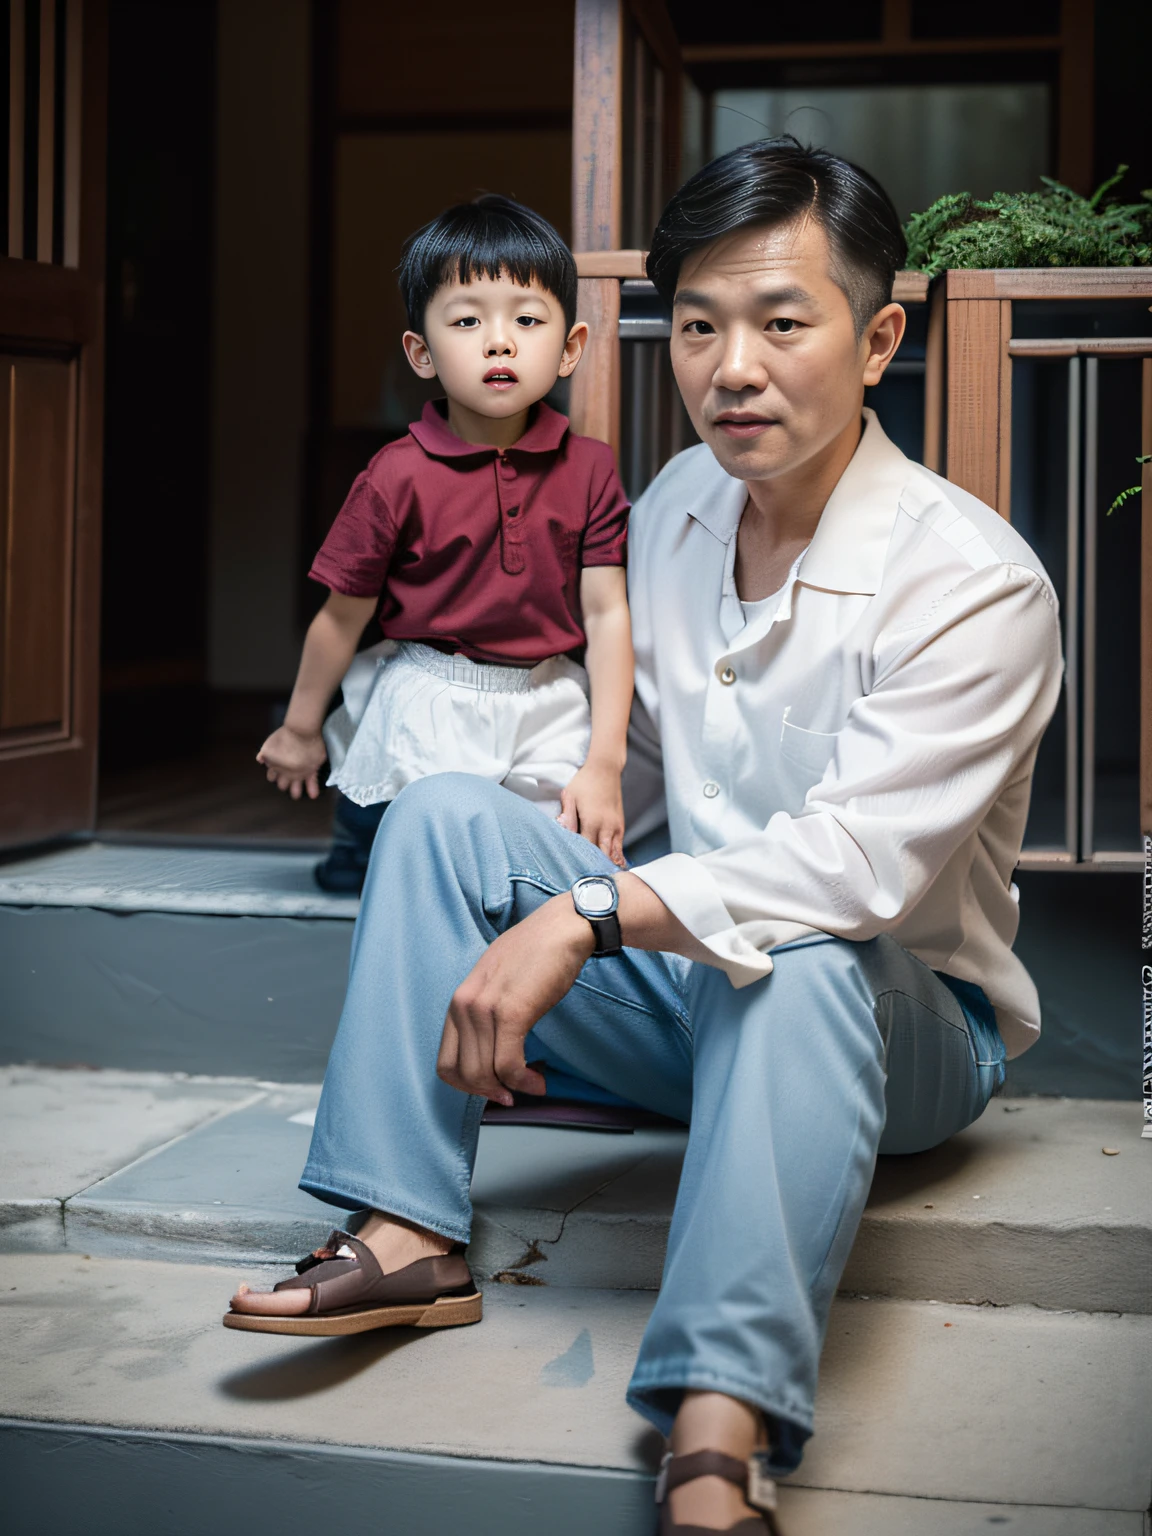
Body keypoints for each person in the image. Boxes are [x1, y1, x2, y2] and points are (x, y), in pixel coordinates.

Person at [225, 139, 1062, 1536]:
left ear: (879, 340)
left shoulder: (973, 583)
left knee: (792, 955)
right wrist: (534, 864)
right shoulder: (671, 508)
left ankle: (719, 1426)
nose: (731, 367)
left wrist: (582, 918)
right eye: (698, 325)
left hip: (903, 1022)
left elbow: (855, 875)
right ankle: (406, 1232)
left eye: (782, 322)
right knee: (443, 818)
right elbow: (623, 770)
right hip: (682, 993)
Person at [256, 194, 634, 892]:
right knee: (387, 847)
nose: (500, 341)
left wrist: (606, 761)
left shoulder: (591, 469)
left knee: (546, 865)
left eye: (527, 320)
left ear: (571, 348)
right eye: (467, 321)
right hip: (429, 686)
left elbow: (608, 615)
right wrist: (302, 726)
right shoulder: (394, 475)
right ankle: (355, 847)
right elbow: (342, 615)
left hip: (545, 694)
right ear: (422, 354)